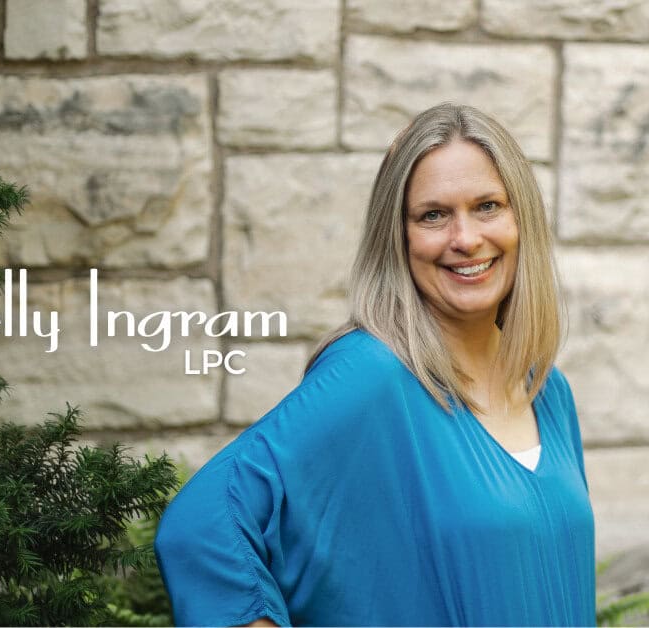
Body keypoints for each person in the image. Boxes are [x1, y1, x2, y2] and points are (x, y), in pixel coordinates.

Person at [154, 103, 595, 627]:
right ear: (398, 237)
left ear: (522, 218)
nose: (465, 238)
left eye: (487, 206)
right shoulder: (371, 371)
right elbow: (202, 526)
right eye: (433, 215)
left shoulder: (549, 390)